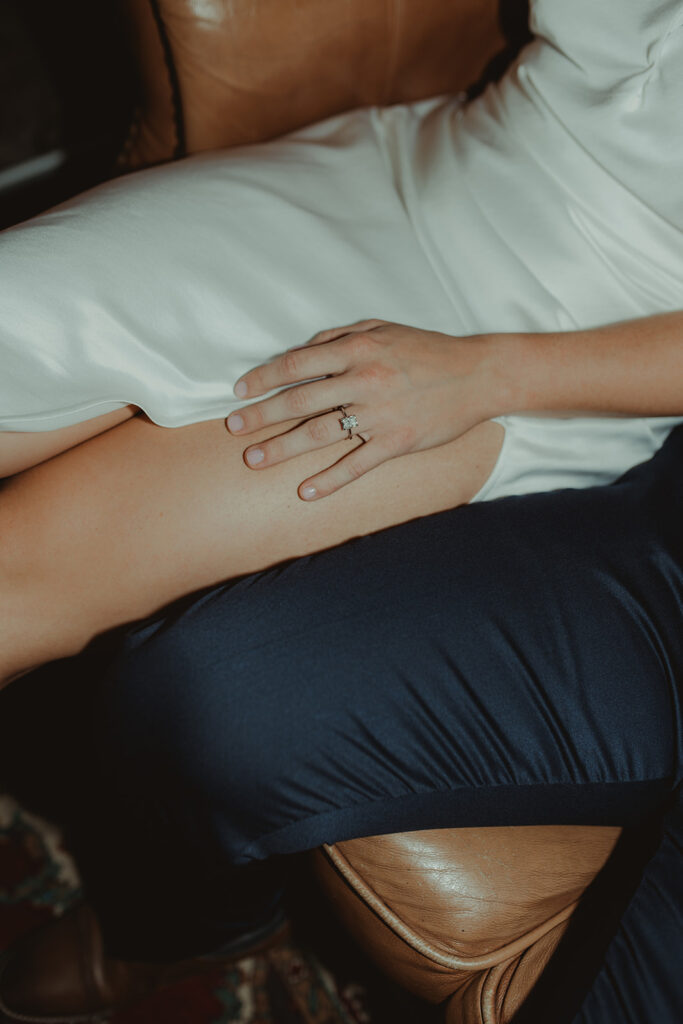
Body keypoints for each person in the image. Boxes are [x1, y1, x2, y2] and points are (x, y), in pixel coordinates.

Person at [0, 0, 681, 1018]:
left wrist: (489, 373)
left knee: (19, 572)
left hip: (554, 348)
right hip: (437, 163)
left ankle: (171, 930)